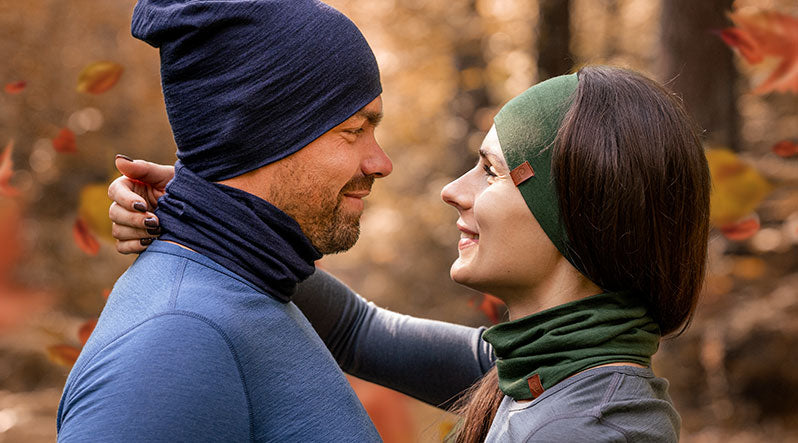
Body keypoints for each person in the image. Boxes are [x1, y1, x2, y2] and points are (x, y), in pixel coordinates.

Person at [109, 66, 710, 442]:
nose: (455, 189)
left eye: (490, 171)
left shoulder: (592, 429)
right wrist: (208, 209)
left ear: (579, 213)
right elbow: (357, 331)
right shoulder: (532, 372)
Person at [58, 0, 420, 441]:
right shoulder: (172, 345)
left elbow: (357, 329)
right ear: (265, 133)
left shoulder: (258, 288)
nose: (381, 162)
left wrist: (205, 205)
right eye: (354, 130)